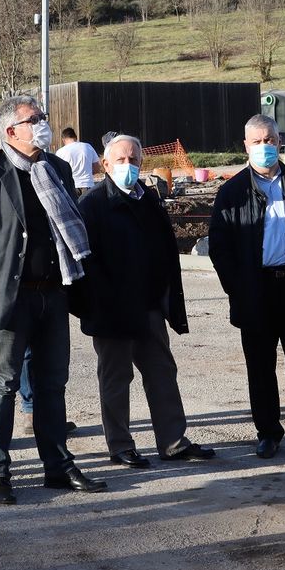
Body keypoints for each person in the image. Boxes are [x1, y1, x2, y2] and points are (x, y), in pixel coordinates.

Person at [0, 95, 106, 505]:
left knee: (52, 385)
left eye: (44, 118)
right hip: (9, 298)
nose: (44, 125)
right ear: (11, 131)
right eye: (36, 119)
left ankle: (58, 467)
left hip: (54, 292)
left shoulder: (58, 169)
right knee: (3, 384)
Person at [76, 135, 216, 468]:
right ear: (106, 165)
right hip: (112, 311)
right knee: (116, 377)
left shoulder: (148, 199)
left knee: (162, 372)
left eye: (134, 160)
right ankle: (120, 446)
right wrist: (101, 302)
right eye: (121, 161)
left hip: (148, 306)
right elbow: (85, 263)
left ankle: (173, 441)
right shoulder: (92, 205)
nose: (129, 166)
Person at [208, 114, 285, 459]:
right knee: (260, 368)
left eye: (269, 140)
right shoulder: (231, 192)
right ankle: (268, 431)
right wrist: (237, 289)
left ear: (279, 142)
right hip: (255, 292)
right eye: (257, 142)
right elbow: (220, 248)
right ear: (245, 147)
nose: (264, 147)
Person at [55, 126, 100, 199]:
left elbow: (58, 173)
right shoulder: (88, 146)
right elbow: (97, 168)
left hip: (71, 187)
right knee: (88, 210)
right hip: (88, 184)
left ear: (63, 140)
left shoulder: (60, 152)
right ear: (75, 137)